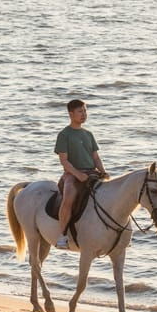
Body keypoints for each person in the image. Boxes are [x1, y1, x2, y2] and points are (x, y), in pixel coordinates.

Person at [54, 99, 109, 249]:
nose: (84, 114)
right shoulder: (64, 135)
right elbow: (64, 161)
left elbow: (95, 157)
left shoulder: (88, 134)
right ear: (71, 114)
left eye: (85, 111)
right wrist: (78, 175)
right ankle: (62, 236)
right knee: (68, 199)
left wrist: (103, 171)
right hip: (72, 174)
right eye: (80, 111)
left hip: (91, 172)